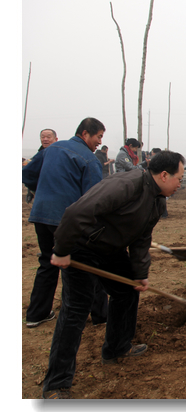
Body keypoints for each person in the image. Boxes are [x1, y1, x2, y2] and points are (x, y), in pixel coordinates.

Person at [40, 151, 186, 399]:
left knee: (127, 290)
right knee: (76, 309)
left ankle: (117, 348)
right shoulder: (125, 184)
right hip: (82, 247)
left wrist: (140, 273)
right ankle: (56, 384)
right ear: (164, 175)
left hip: (110, 250)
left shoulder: (157, 200)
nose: (180, 184)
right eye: (179, 179)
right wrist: (62, 250)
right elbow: (76, 213)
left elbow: (142, 239)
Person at [22, 118, 109, 330]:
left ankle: (37, 314)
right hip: (66, 220)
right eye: (98, 137)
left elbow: (27, 173)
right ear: (85, 133)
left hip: (41, 215)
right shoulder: (89, 160)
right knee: (88, 262)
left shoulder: (51, 149)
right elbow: (94, 198)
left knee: (47, 262)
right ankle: (101, 316)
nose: (100, 142)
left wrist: (44, 190)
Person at [25, 129, 60, 203]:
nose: (45, 139)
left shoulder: (60, 153)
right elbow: (30, 171)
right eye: (42, 137)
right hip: (40, 192)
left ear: (56, 139)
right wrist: (31, 190)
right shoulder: (40, 153)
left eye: (48, 137)